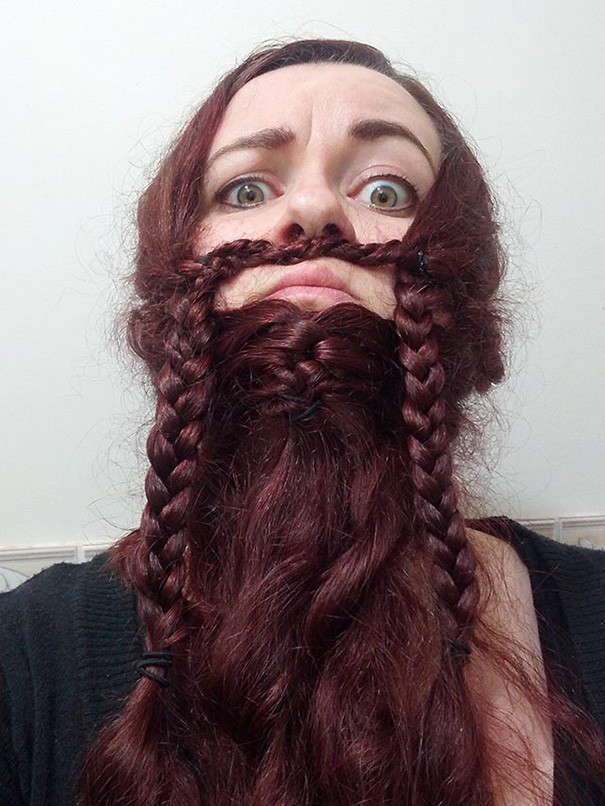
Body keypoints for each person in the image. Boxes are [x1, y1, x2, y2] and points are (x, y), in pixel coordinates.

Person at [1, 38, 604, 806]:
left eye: (385, 190)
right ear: (174, 282)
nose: (312, 208)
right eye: (245, 191)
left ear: (462, 282)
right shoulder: (25, 657)